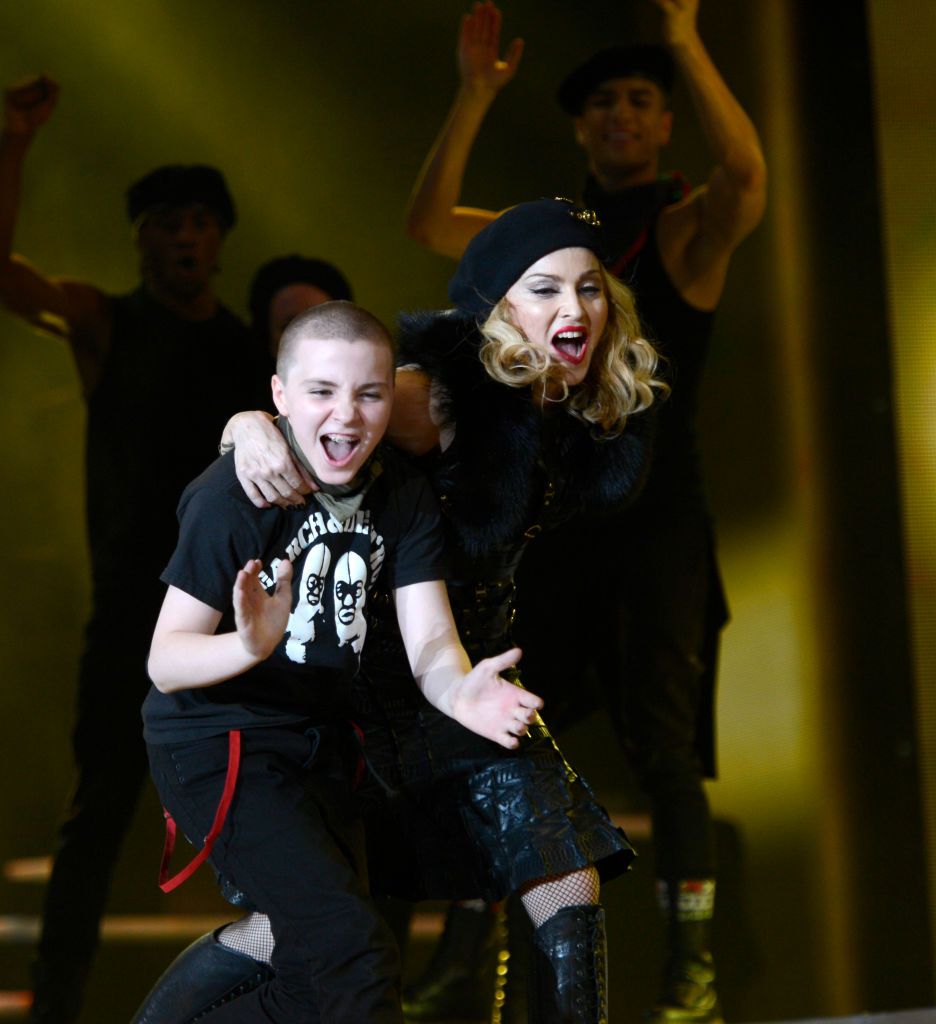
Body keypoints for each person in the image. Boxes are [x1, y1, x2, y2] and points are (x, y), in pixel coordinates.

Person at [132, 197, 663, 1024]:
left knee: (559, 881)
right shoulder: (444, 400)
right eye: (544, 288)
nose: (573, 308)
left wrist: (461, 687)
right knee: (331, 936)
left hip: (456, 668)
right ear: (500, 309)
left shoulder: (581, 410)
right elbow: (319, 414)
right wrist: (246, 429)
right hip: (362, 692)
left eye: (589, 288)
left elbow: (435, 630)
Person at [402, 2, 767, 1021]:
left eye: (638, 100)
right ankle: (483, 958)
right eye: (601, 100)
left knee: (661, 749)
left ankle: (687, 974)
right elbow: (431, 226)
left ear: (661, 122)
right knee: (510, 736)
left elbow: (747, 183)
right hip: (553, 524)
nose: (618, 113)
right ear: (578, 125)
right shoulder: (557, 240)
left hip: (656, 526)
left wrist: (685, 40)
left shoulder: (684, 227)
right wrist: (473, 97)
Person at [140, 299, 543, 1023]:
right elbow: (166, 661)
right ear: (279, 396)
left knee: (331, 970)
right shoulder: (236, 492)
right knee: (353, 953)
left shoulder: (403, 494)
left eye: (369, 393)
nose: (347, 416)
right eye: (323, 392)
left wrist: (457, 691)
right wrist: (248, 645)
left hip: (316, 740)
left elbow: (429, 640)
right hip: (218, 739)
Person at [0, 75, 270, 1023]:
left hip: (237, 619)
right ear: (140, 239)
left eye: (198, 221)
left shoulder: (252, 355)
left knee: (259, 818)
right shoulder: (106, 324)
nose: (183, 237)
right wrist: (15, 146)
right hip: (130, 615)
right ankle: (56, 1011)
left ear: (220, 237)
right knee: (97, 818)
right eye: (164, 222)